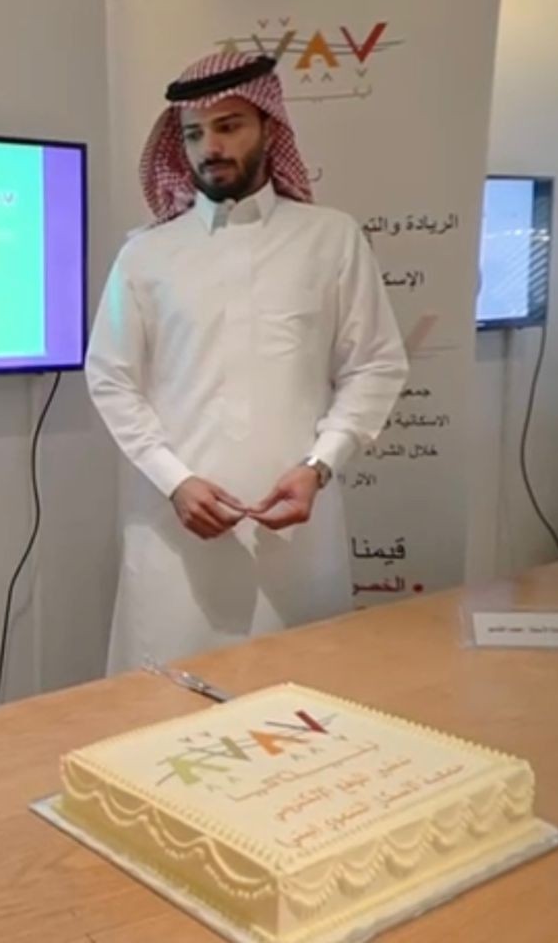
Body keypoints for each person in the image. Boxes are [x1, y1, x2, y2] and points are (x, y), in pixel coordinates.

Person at [86, 51, 408, 674]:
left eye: (229, 126)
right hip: (176, 530)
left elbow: (375, 364)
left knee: (302, 696)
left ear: (268, 125)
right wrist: (174, 480)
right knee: (169, 706)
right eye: (193, 134)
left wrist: (320, 465)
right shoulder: (145, 255)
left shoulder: (331, 238)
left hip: (295, 531)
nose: (210, 147)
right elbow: (111, 378)